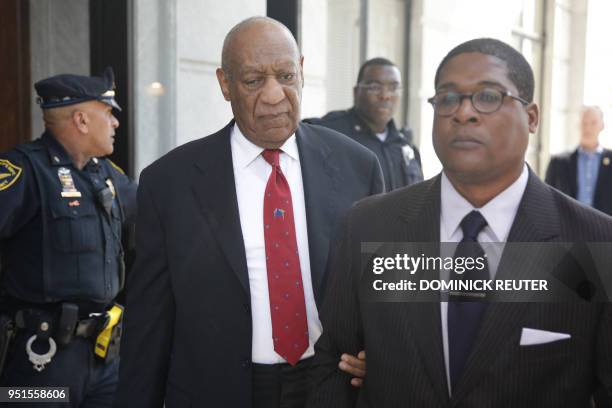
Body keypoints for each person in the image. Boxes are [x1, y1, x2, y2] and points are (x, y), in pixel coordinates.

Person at [307, 38, 612, 407]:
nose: (463, 112)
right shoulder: (370, 227)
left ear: (531, 117)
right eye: (448, 98)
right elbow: (331, 368)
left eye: (488, 97)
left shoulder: (596, 243)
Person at [114, 17, 383, 408]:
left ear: (302, 71)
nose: (274, 95)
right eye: (254, 80)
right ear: (226, 84)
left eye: (286, 76)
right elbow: (149, 322)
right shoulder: (168, 183)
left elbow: (380, 286)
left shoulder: (358, 167)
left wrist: (380, 352)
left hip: (330, 387)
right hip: (216, 391)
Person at [0, 68, 137, 407]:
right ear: (81, 120)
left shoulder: (108, 176)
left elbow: (157, 226)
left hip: (105, 359)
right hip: (40, 362)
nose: (116, 123)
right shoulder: (23, 170)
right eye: (108, 113)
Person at [307, 57, 423, 191]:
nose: (385, 95)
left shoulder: (405, 146)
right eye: (375, 87)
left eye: (393, 88)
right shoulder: (329, 133)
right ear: (356, 92)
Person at [545, 106, 612, 216]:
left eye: (593, 123)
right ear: (578, 125)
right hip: (568, 228)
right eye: (584, 123)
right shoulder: (558, 162)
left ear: (602, 126)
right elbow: (547, 197)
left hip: (605, 229)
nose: (588, 128)